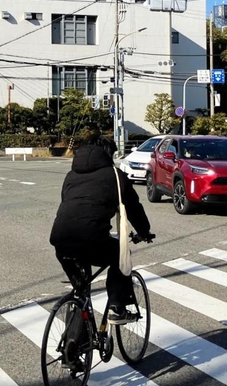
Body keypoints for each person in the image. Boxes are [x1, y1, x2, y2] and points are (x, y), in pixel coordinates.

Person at [50, 135, 152, 324]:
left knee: (81, 292)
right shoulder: (115, 175)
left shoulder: (71, 175)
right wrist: (144, 232)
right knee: (121, 254)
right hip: (92, 240)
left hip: (60, 240)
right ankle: (117, 308)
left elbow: (68, 203)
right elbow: (133, 208)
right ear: (108, 154)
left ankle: (75, 335)